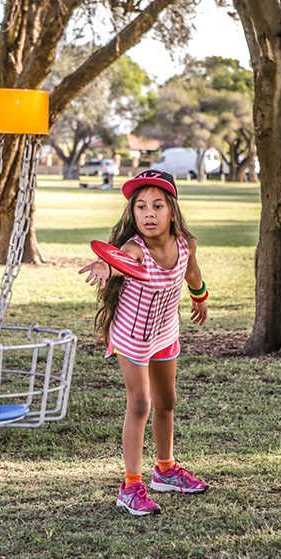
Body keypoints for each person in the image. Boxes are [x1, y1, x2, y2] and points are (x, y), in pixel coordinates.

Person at [78, 169, 208, 516]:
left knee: (167, 401)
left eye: (157, 206)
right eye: (140, 207)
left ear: (172, 211)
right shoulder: (134, 247)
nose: (149, 214)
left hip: (164, 333)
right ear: (132, 213)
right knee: (140, 404)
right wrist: (107, 268)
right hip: (132, 336)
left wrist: (200, 298)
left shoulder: (185, 245)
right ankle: (131, 485)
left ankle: (165, 470)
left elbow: (192, 272)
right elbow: (121, 262)